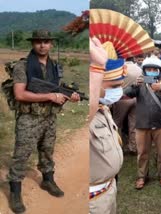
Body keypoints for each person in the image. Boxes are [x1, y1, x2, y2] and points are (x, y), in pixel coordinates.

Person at [7, 30, 80, 213]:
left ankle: (48, 180)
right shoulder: (22, 66)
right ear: (33, 44)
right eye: (38, 42)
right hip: (28, 118)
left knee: (47, 151)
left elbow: (56, 89)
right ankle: (15, 191)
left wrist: (70, 96)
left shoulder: (55, 66)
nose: (42, 45)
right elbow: (20, 94)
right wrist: (50, 96)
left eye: (46, 41)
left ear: (51, 44)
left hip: (49, 117)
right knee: (21, 155)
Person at [124, 56, 161, 190]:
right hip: (142, 125)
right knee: (142, 152)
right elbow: (127, 93)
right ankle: (142, 176)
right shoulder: (141, 84)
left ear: (160, 71)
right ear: (144, 70)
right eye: (149, 69)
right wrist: (134, 85)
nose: (152, 71)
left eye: (155, 69)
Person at [89, 38, 124, 214]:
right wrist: (97, 67)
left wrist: (108, 54)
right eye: (114, 86)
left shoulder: (103, 108)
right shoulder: (86, 112)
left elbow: (131, 72)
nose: (119, 90)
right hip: (92, 200)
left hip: (108, 190)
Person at [112, 59, 142, 155]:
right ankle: (133, 147)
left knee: (117, 124)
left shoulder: (120, 68)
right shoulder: (139, 68)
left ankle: (118, 146)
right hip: (136, 98)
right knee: (133, 125)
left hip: (122, 98)